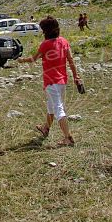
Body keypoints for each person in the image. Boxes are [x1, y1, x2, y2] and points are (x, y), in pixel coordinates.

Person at [18, 16, 82, 147]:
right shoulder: (64, 41)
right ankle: (46, 127)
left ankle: (67, 138)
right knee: (51, 106)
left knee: (58, 108)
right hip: (62, 80)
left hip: (51, 82)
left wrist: (22, 60)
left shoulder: (45, 44)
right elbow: (71, 60)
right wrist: (76, 77)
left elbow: (33, 59)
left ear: (45, 31)